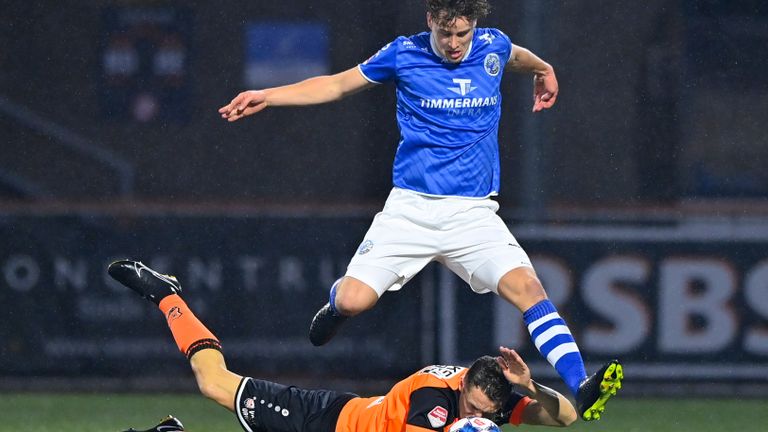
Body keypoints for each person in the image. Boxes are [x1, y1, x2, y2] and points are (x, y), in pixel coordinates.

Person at [218, 0, 622, 420]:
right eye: (445, 33)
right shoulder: (403, 54)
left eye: (462, 34)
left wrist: (544, 68)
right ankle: (335, 304)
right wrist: (269, 95)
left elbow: (516, 55)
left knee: (530, 291)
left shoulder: (492, 47)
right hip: (410, 211)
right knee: (356, 301)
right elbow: (338, 85)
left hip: (473, 215)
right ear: (430, 20)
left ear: (475, 27)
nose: (453, 44)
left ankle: (581, 384)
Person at [108, 259, 587, 431]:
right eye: (470, 406)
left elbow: (567, 416)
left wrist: (533, 387)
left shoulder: (495, 400)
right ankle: (166, 294)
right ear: (463, 384)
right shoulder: (433, 396)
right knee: (214, 384)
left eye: (482, 412)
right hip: (322, 421)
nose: (473, 415)